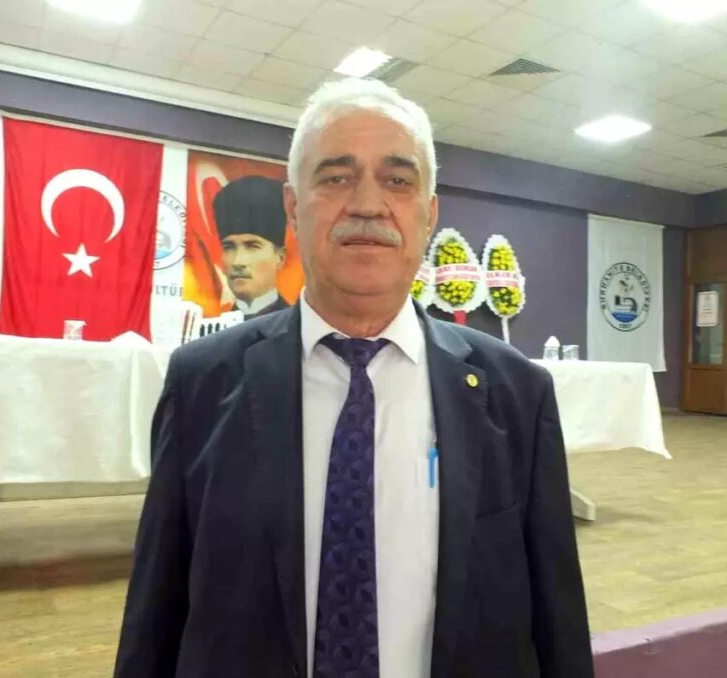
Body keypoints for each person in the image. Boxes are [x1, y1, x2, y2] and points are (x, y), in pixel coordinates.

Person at [115, 78, 594, 678]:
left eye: (398, 180)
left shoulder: (516, 394)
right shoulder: (201, 384)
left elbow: (557, 618)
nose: (368, 204)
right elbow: (156, 612)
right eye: (337, 177)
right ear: (293, 208)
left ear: (428, 214)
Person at [214, 175, 290, 317]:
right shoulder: (213, 328)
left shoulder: (298, 326)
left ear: (280, 258)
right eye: (229, 247)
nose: (237, 262)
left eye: (252, 246)